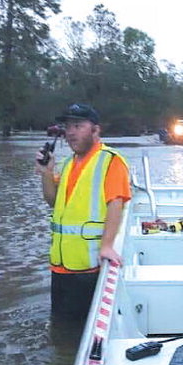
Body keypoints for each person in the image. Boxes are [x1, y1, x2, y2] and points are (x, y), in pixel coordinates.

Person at [35, 103, 131, 321]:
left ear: (95, 130)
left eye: (78, 126)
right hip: (60, 266)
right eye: (68, 127)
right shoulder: (69, 163)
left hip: (88, 270)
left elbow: (115, 203)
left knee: (79, 330)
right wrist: (46, 172)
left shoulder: (110, 161)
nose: (70, 132)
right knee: (60, 327)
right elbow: (53, 200)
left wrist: (106, 246)